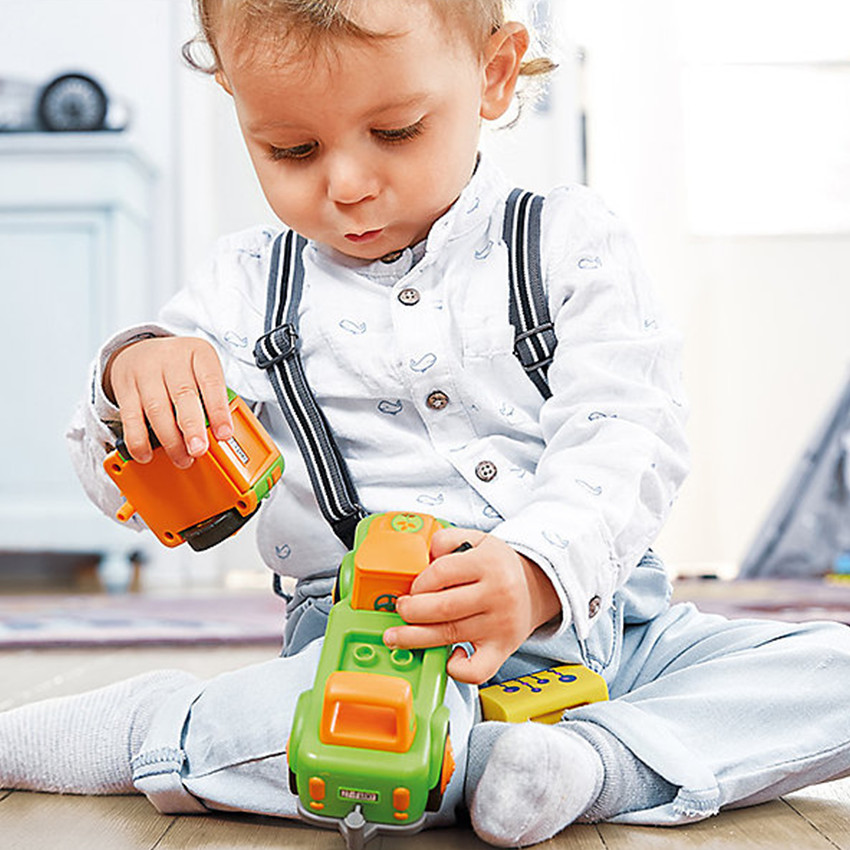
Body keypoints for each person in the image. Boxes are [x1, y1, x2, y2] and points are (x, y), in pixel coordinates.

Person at [3, 0, 850, 846]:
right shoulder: (242, 286)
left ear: (494, 73)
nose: (347, 185)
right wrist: (132, 379)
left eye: (398, 131)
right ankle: (150, 729)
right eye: (291, 149)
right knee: (343, 735)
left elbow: (630, 428)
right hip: (377, 651)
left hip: (617, 634)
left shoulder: (567, 239)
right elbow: (128, 488)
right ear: (233, 95)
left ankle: (591, 762)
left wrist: (539, 571)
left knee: (834, 673)